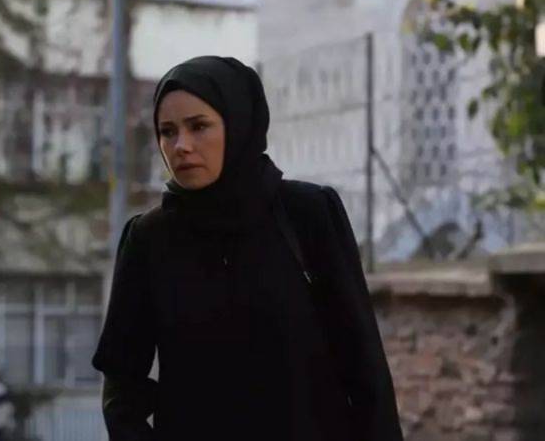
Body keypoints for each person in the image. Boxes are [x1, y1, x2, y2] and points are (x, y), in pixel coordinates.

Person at [92, 57, 404, 441]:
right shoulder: (149, 239)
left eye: (198, 126)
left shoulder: (306, 214)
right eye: (167, 132)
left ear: (238, 123)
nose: (181, 146)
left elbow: (364, 367)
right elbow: (121, 385)